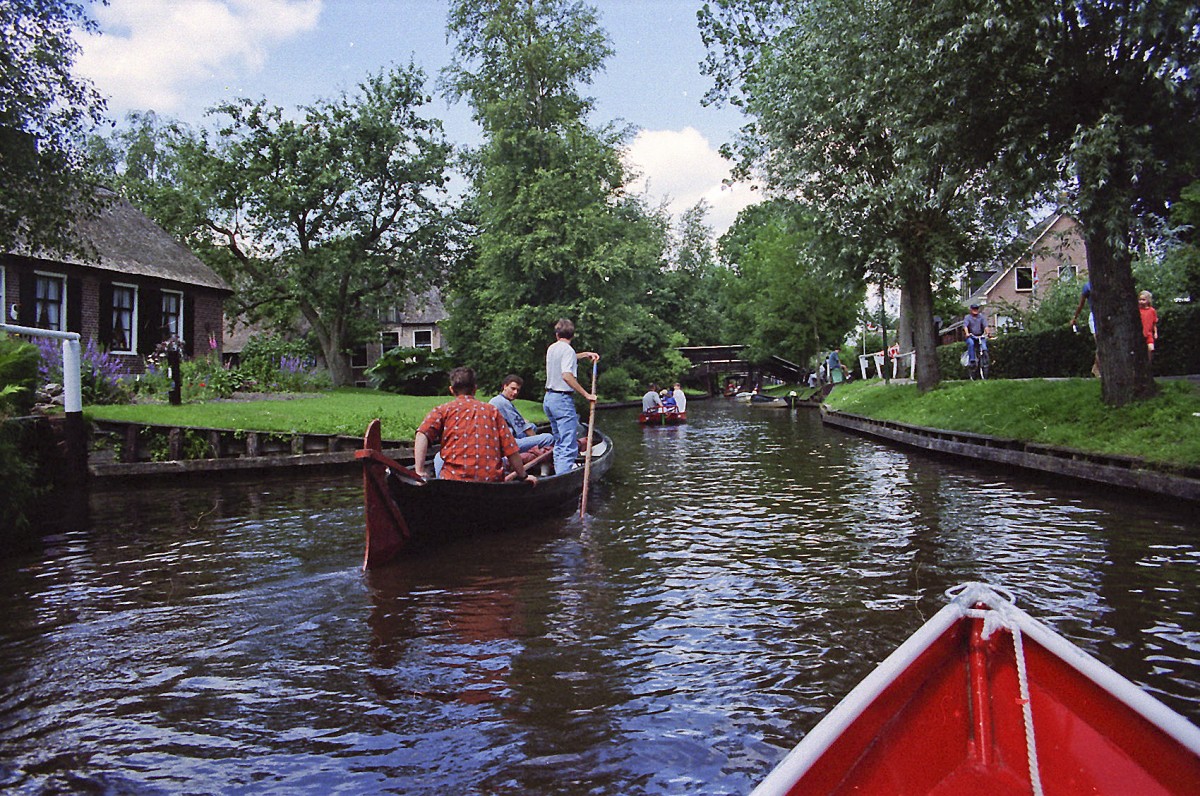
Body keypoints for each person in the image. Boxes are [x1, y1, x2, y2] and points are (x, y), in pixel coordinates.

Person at [413, 366, 536, 485]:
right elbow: (511, 449)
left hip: (454, 481)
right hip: (491, 483)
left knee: (439, 458)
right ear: (475, 389)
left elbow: (422, 434)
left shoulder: (443, 410)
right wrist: (523, 476)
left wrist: (419, 471)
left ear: (451, 389)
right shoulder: (492, 411)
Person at [544, 318, 600, 475]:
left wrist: (585, 355)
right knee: (568, 444)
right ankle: (563, 479)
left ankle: (558, 474)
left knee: (560, 442)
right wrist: (587, 395)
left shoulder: (552, 348)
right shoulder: (567, 350)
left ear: (557, 334)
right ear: (572, 335)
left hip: (549, 399)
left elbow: (568, 358)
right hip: (562, 400)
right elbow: (567, 376)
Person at [490, 374, 557, 453]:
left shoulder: (498, 400)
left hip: (501, 437)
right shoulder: (502, 403)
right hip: (506, 444)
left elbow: (520, 421)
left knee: (533, 426)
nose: (515, 392)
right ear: (505, 386)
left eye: (518, 390)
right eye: (513, 388)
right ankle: (539, 458)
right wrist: (536, 440)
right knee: (548, 438)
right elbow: (524, 427)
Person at [1071, 281, 1100, 377]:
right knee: (1100, 343)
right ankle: (1097, 369)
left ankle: (1096, 367)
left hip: (1105, 316)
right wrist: (1075, 317)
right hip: (1095, 316)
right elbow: (1081, 304)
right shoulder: (1087, 287)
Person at [1139, 290, 1159, 364]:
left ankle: (1148, 363)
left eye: (1143, 300)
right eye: (1140, 299)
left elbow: (1154, 323)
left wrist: (1155, 333)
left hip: (1149, 333)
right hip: (1140, 333)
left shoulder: (1152, 310)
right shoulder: (1138, 310)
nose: (1141, 301)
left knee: (1151, 349)